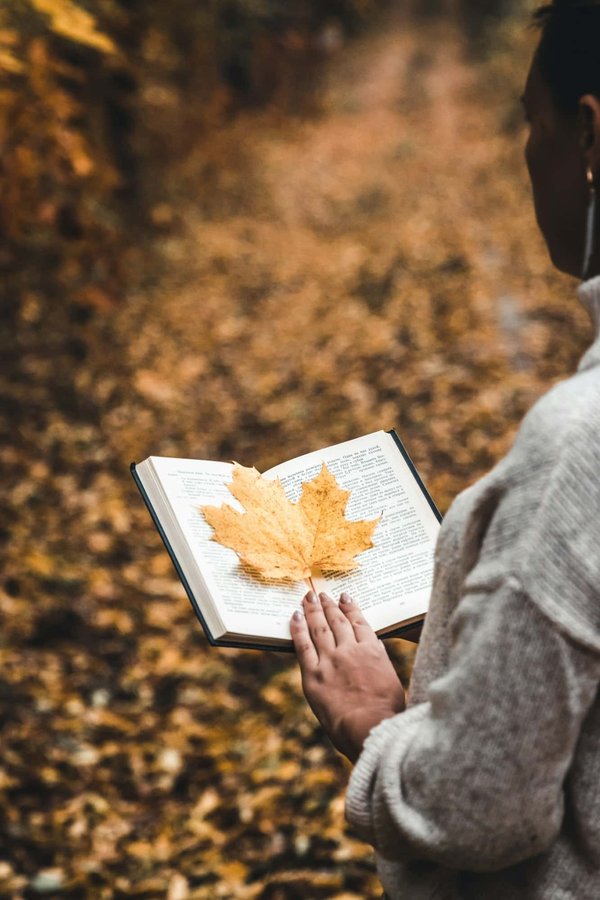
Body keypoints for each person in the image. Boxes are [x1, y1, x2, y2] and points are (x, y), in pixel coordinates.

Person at [289, 2, 600, 897]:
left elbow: (480, 805)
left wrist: (372, 717)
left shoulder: (579, 449)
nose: (528, 154)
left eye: (530, 124)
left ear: (588, 137)